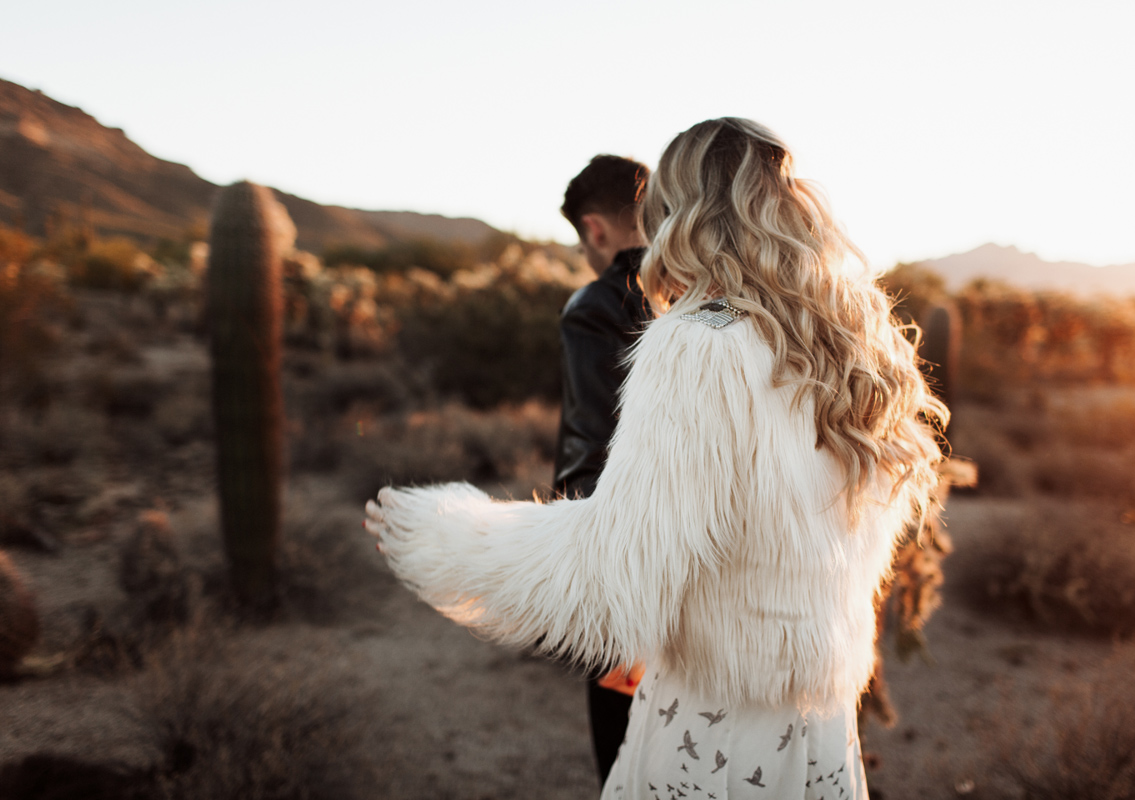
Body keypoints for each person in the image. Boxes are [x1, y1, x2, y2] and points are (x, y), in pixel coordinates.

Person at [366, 117, 945, 799]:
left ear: (678, 215)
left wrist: (439, 530)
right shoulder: (854, 346)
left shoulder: (699, 345)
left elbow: (617, 566)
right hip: (817, 722)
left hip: (717, 721)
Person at [555, 154, 653, 786]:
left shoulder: (597, 306)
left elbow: (591, 458)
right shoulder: (721, 291)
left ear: (596, 230)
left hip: (633, 578)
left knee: (628, 765)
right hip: (730, 575)